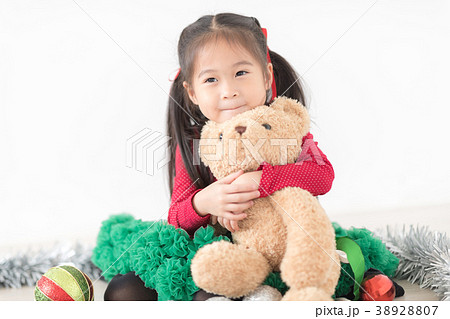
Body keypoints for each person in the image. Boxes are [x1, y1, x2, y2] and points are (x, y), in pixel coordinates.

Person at [104, 12, 334, 301]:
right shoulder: (194, 143)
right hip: (216, 254)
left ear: (266, 76)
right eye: (211, 79)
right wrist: (205, 202)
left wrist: (261, 180)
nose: (229, 92)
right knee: (123, 291)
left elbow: (322, 175)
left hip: (276, 251)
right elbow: (175, 216)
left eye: (241, 73)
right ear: (192, 92)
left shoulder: (281, 127)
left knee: (208, 299)